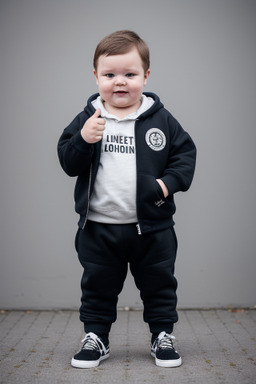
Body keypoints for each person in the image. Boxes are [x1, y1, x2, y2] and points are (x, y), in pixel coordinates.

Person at [57, 30, 196, 369]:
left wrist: (165, 186)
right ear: (96, 76)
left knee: (159, 283)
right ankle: (96, 337)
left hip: (152, 227)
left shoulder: (161, 119)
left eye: (130, 75)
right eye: (110, 75)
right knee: (98, 286)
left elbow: (185, 156)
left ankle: (162, 336)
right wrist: (82, 140)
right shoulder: (89, 119)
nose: (120, 82)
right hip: (99, 228)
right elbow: (67, 162)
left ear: (146, 76)